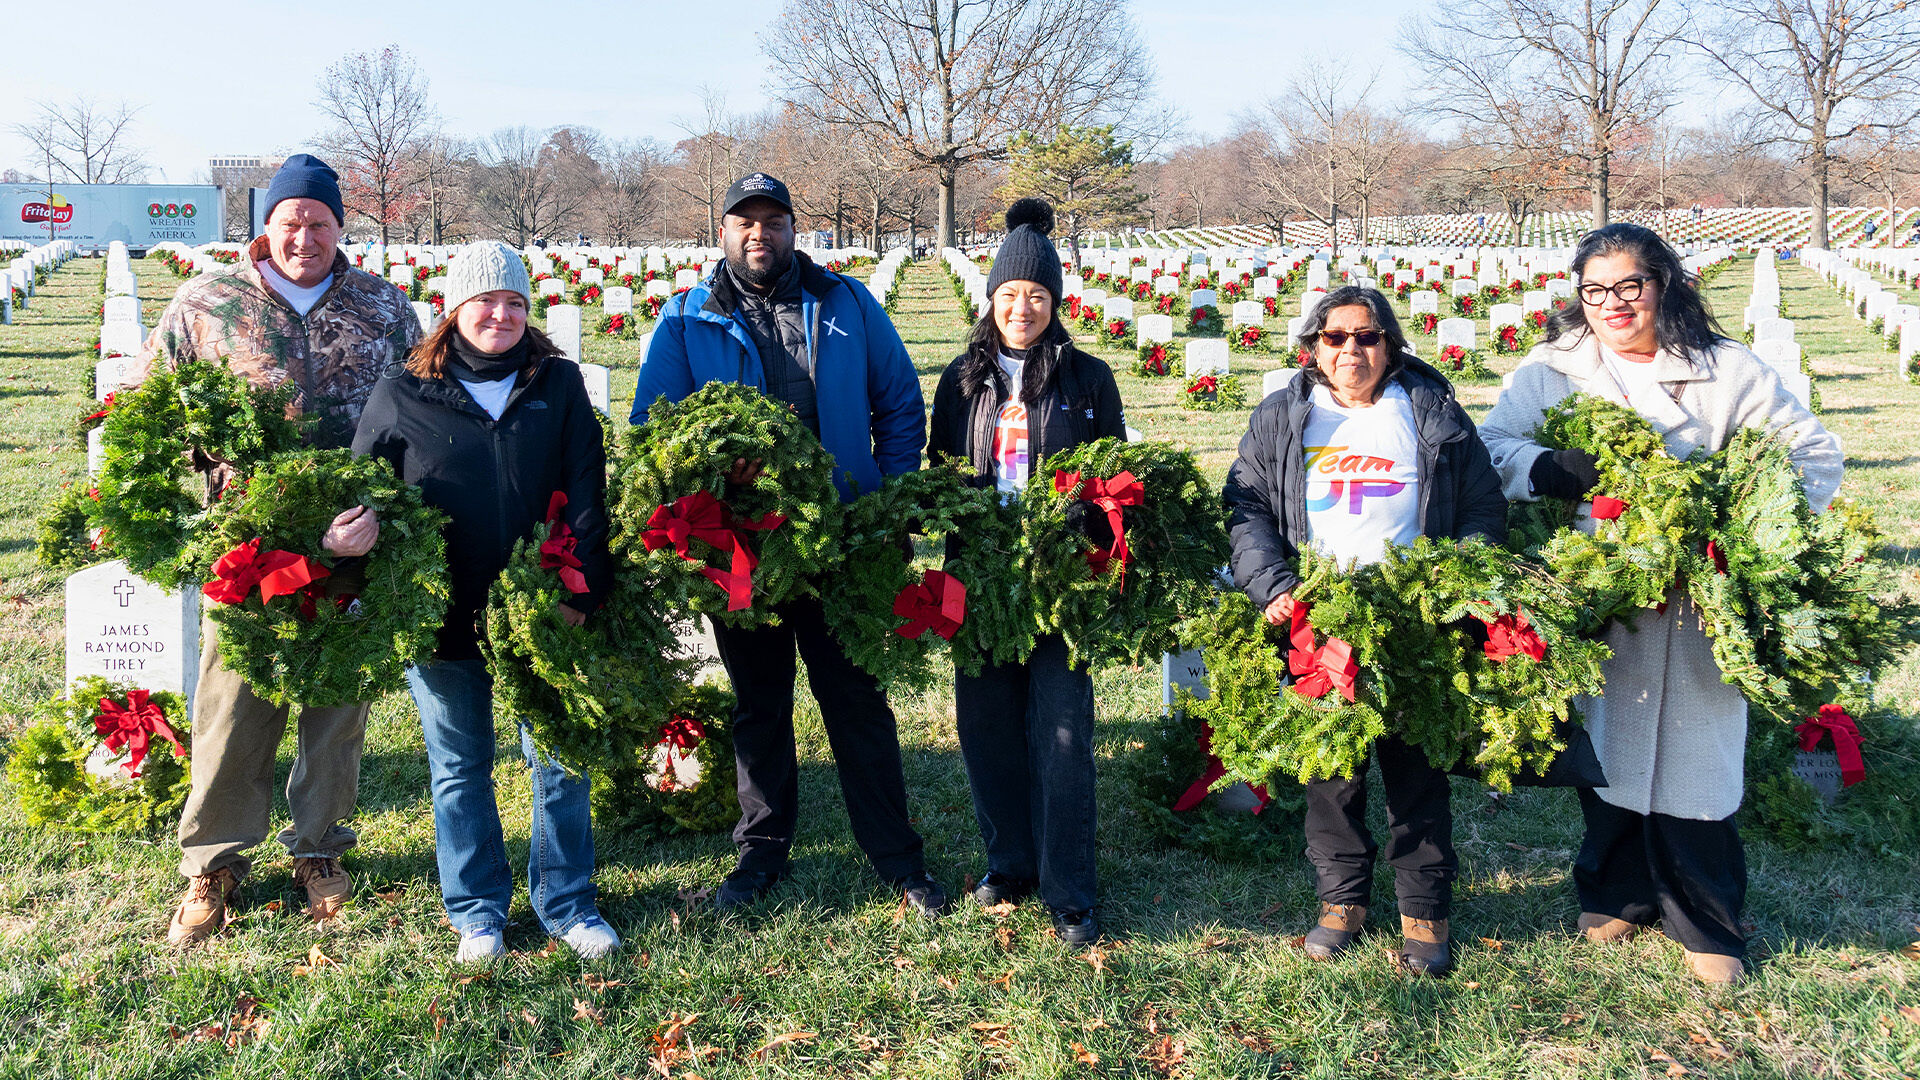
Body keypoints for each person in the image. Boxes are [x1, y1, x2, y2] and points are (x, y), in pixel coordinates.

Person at [1478, 223, 1842, 985]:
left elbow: (1811, 453)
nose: (1613, 303)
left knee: (1696, 754)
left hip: (1695, 596)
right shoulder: (1552, 369)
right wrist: (1545, 468)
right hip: (1594, 592)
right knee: (1609, 740)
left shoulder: (1725, 369)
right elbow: (1493, 446)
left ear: (1664, 284)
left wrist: (1739, 523)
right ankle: (1617, 892)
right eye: (1596, 289)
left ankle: (1708, 923)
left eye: (1629, 285)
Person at [630, 172, 945, 916]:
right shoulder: (684, 320)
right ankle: (761, 852)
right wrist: (716, 479)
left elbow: (899, 402)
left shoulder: (848, 303)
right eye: (745, 222)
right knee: (759, 704)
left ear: (794, 229)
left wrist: (889, 504)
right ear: (724, 232)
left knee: (855, 699)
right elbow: (654, 432)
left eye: (772, 221)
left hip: (839, 542)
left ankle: (896, 857)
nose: (758, 234)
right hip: (743, 552)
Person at [136, 154, 421, 946]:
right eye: (290, 221)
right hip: (248, 546)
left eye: (320, 222)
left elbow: (424, 413)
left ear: (340, 228)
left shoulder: (383, 308)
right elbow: (151, 408)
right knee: (234, 702)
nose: (305, 235)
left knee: (336, 703)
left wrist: (390, 511)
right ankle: (214, 863)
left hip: (350, 538)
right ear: (265, 227)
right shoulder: (206, 304)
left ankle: (321, 847)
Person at [1222, 285, 1508, 978]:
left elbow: (1480, 506)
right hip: (1318, 620)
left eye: (1368, 336)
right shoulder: (1282, 417)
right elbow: (1246, 506)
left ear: (1392, 344)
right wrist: (1274, 587)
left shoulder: (1432, 414)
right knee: (1332, 772)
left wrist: (1456, 583)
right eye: (1336, 337)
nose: (1352, 349)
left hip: (1413, 621)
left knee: (1417, 772)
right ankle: (1341, 900)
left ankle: (1424, 909)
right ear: (1313, 347)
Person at [352, 241, 618, 962]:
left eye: (513, 303)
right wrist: (358, 533)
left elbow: (587, 488)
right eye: (483, 302)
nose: (498, 315)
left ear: (528, 311)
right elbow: (364, 489)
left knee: (559, 758)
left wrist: (581, 590)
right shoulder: (402, 391)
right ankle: (477, 912)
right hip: (443, 613)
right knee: (459, 764)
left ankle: (567, 901)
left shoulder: (556, 384)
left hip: (543, 609)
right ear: (453, 310)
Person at [926, 199, 1125, 945]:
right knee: (987, 728)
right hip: (979, 578)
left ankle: (1070, 889)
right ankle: (1009, 862)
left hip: (1060, 579)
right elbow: (941, 468)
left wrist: (1099, 558)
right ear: (991, 298)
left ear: (1055, 302)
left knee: (1063, 730)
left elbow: (1114, 476)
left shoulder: (1087, 378)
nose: (1022, 307)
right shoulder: (961, 379)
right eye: (1010, 293)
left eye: (1037, 295)